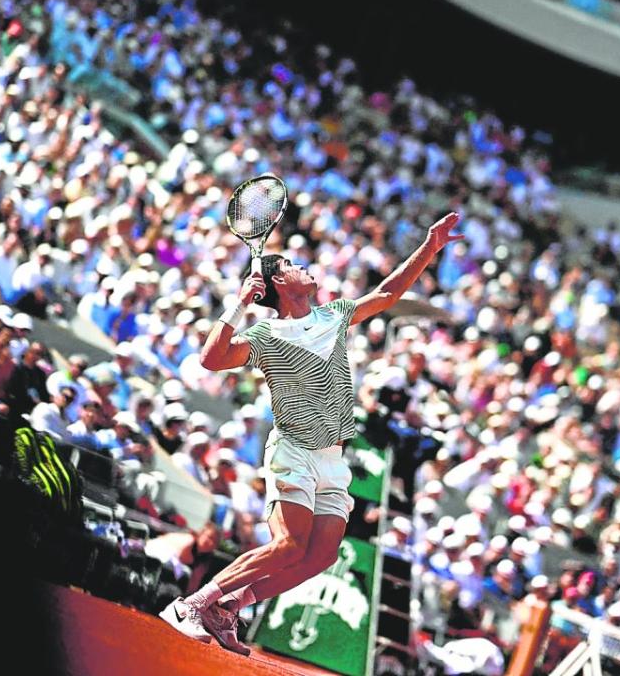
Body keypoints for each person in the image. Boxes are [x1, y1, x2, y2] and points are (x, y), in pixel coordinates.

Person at [159, 211, 463, 654]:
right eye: (295, 266)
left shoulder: (334, 315)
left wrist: (429, 248)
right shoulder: (265, 334)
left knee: (319, 556)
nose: (307, 269)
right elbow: (212, 359)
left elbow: (388, 292)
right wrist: (240, 301)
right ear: (280, 281)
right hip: (293, 451)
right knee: (287, 545)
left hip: (333, 457)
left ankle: (229, 608)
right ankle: (191, 604)